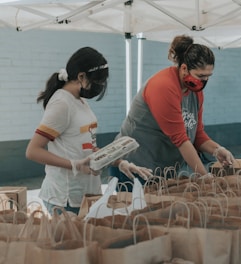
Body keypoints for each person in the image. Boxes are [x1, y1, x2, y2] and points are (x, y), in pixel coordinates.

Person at [26, 47, 151, 215]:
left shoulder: (79, 101)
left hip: (87, 193)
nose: (100, 87)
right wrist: (74, 164)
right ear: (81, 77)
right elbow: (33, 151)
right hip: (66, 197)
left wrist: (117, 161)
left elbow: (87, 148)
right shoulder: (61, 104)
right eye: (98, 82)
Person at [109, 35, 235, 188]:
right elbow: (180, 139)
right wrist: (205, 176)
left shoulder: (195, 91)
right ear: (184, 69)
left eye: (208, 77)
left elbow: (197, 134)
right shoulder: (163, 87)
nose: (204, 82)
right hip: (134, 167)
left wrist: (217, 150)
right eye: (200, 76)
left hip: (161, 170)